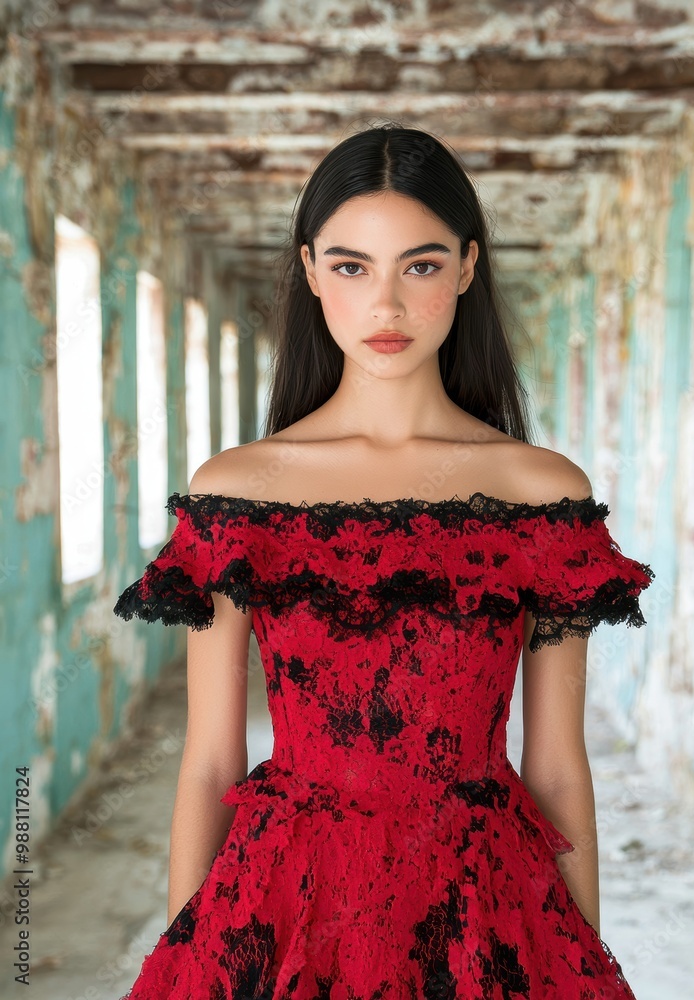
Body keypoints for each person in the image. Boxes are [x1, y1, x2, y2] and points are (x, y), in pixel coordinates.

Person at [113, 122, 654, 999]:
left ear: (469, 267)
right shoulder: (239, 491)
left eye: (422, 264)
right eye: (352, 266)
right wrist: (193, 970)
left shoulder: (539, 494)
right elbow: (210, 760)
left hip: (485, 905)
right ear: (311, 271)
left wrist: (586, 962)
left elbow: (555, 764)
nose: (387, 307)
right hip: (287, 901)